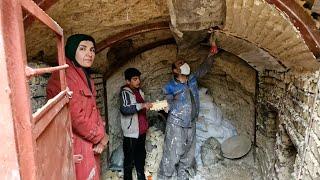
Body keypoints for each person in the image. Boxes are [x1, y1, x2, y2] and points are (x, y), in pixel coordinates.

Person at [47, 34, 108, 180]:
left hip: (89, 143)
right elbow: (75, 117)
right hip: (76, 145)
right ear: (72, 50)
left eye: (92, 50)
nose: (89, 54)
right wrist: (101, 136)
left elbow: (94, 109)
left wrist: (101, 134)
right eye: (83, 49)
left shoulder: (85, 75)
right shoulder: (63, 76)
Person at [158, 35, 219, 180]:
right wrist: (167, 107)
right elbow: (168, 103)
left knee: (188, 153)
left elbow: (204, 68)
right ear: (175, 71)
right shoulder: (170, 86)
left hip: (191, 122)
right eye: (180, 63)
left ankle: (182, 175)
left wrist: (212, 52)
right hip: (176, 124)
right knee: (172, 153)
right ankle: (164, 176)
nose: (184, 63)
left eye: (183, 62)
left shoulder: (191, 78)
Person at [119, 68, 153, 180]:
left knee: (140, 156)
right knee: (129, 159)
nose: (138, 81)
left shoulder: (140, 91)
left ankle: (141, 176)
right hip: (131, 133)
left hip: (141, 131)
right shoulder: (125, 93)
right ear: (128, 81)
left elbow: (141, 109)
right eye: (135, 79)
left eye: (138, 78)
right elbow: (125, 109)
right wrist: (142, 105)